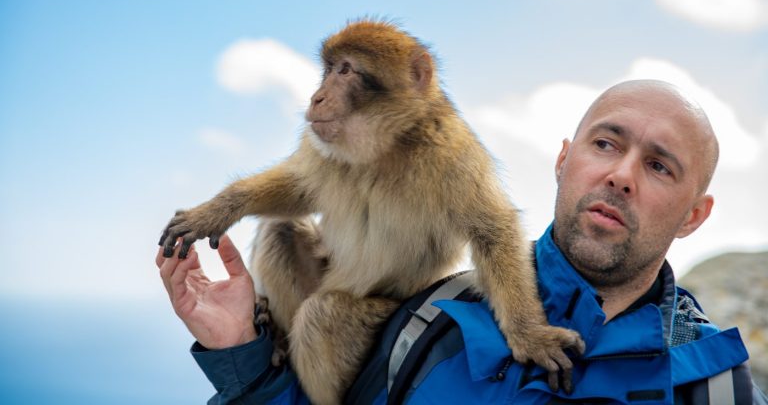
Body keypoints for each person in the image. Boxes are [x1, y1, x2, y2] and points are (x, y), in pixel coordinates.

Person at [157, 80, 767, 404]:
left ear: (695, 215)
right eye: (606, 144)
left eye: (659, 167)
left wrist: (524, 328)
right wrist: (242, 354)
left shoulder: (714, 385)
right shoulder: (428, 327)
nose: (621, 175)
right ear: (562, 159)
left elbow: (493, 230)